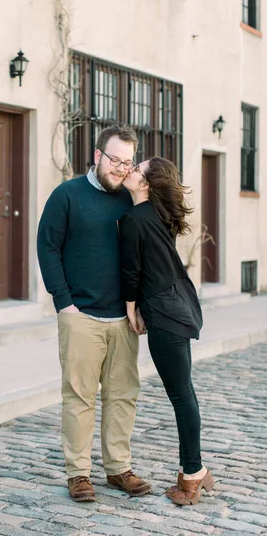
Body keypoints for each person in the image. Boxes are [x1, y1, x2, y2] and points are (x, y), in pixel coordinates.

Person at [37, 125, 151, 503]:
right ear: (98, 155)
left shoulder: (130, 200)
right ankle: (78, 474)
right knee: (79, 396)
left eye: (128, 162)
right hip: (80, 315)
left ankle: (118, 469)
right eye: (115, 160)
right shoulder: (67, 195)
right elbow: (47, 247)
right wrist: (63, 303)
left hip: (123, 318)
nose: (121, 168)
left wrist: (140, 307)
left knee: (122, 396)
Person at [119, 156, 215, 506]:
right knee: (184, 392)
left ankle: (193, 474)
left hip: (164, 312)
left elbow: (132, 271)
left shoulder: (133, 219)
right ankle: (195, 471)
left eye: (136, 169)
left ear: (145, 183)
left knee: (181, 396)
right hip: (178, 303)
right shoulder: (160, 215)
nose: (129, 170)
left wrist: (132, 309)